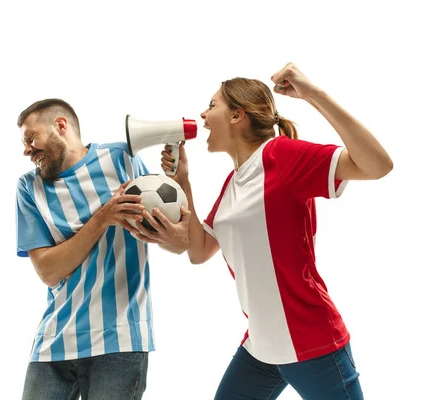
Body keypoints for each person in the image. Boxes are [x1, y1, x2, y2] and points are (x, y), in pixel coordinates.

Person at [133, 63, 393, 399]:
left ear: (237, 115)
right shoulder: (233, 182)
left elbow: (378, 165)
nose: (203, 113)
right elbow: (198, 251)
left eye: (212, 106)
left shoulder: (281, 155)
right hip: (262, 345)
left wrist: (313, 94)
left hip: (311, 342)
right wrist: (183, 180)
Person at [14, 98, 187, 399]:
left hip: (120, 342)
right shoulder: (29, 187)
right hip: (54, 342)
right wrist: (103, 218)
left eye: (31, 137)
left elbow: (179, 244)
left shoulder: (122, 160)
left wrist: (180, 181)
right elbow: (48, 270)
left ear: (61, 126)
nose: (26, 149)